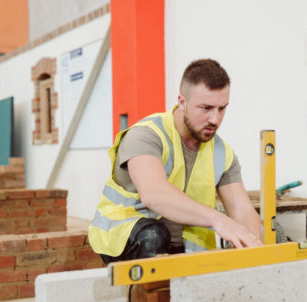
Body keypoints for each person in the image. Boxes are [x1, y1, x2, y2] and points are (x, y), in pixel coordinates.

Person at [88, 58, 262, 265]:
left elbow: (242, 210)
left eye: (222, 108)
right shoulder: (147, 136)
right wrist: (218, 219)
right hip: (126, 237)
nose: (215, 119)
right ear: (182, 102)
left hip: (181, 246)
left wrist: (258, 252)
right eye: (205, 108)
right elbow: (154, 195)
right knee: (154, 236)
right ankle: (145, 296)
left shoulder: (222, 153)